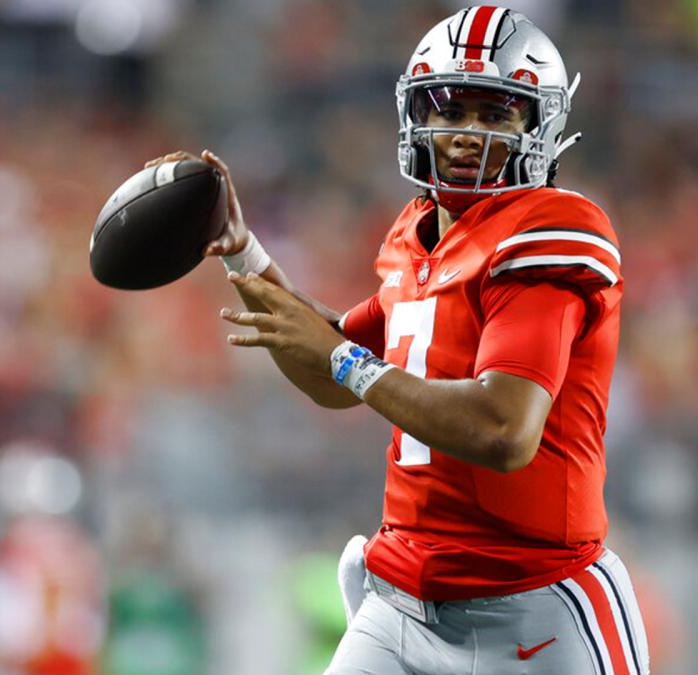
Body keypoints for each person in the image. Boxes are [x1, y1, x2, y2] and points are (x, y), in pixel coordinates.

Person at [147, 6, 650, 673]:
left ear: (541, 125)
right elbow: (335, 373)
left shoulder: (552, 228)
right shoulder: (415, 234)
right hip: (401, 600)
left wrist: (340, 357)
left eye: (495, 114)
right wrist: (243, 255)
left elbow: (504, 430)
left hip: (537, 612)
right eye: (451, 110)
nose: (467, 133)